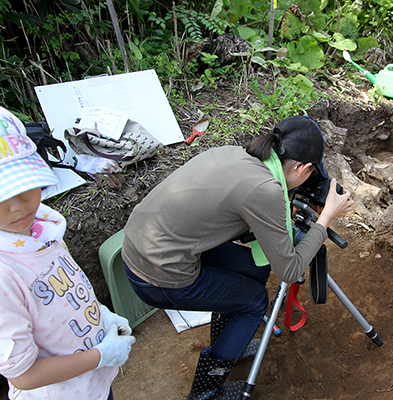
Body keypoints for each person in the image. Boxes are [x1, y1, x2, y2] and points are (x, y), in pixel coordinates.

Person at [121, 114, 354, 400]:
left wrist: (280, 216)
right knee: (254, 302)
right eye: (311, 174)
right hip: (158, 275)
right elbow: (291, 271)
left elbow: (237, 210)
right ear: (303, 167)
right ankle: (207, 393)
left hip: (143, 245)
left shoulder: (234, 154)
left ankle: (230, 340)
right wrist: (326, 216)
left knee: (255, 271)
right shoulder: (266, 190)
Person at [0, 106, 136, 400]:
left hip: (90, 384)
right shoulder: (4, 276)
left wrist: (101, 317)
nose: (19, 204)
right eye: (2, 194)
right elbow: (24, 375)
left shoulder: (41, 229)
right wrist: (100, 356)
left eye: (25, 184)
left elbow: (64, 290)